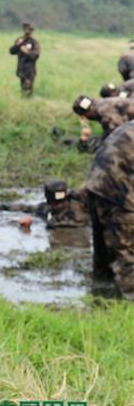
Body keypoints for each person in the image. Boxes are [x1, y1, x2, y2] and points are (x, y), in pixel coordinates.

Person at [85, 120, 134, 300]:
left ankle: (100, 297)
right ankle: (130, 304)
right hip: (119, 195)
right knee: (127, 255)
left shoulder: (129, 125)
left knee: (103, 256)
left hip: (95, 186)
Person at [0, 180, 89, 228]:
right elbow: (25, 208)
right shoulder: (46, 208)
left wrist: (26, 223)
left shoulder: (78, 212)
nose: (58, 206)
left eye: (60, 203)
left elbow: (56, 223)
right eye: (55, 204)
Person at [9, 22, 40, 96]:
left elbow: (36, 55)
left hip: (30, 70)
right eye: (26, 29)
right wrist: (17, 45)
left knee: (28, 89)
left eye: (29, 30)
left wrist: (27, 51)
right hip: (21, 69)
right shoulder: (19, 40)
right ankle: (24, 103)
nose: (27, 31)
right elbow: (12, 51)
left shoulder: (34, 42)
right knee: (23, 89)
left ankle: (29, 103)